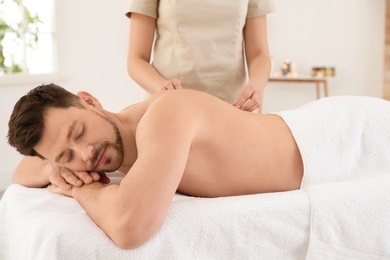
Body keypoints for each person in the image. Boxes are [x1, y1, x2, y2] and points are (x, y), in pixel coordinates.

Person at [7, 84, 390, 249]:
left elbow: (130, 227)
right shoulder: (112, 147)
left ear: (89, 100)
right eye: (66, 156)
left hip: (344, 137)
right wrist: (55, 169)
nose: (85, 154)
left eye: (78, 132)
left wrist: (83, 188)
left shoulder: (163, 117)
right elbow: (21, 173)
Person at [125, 0, 275, 112]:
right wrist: (163, 88)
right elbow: (136, 59)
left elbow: (259, 54)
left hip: (232, 109)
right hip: (172, 108)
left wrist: (256, 85)